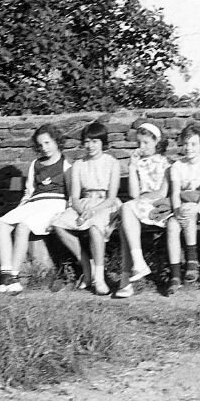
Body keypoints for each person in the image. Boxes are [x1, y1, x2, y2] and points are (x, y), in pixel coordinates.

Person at [0, 124, 71, 294]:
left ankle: (14, 277)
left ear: (56, 141)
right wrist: (18, 210)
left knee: (23, 226)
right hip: (34, 203)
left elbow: (70, 195)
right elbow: (29, 192)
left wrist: (62, 216)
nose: (45, 148)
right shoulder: (35, 164)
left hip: (54, 204)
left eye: (48, 143)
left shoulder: (66, 165)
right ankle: (5, 277)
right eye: (41, 145)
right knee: (2, 224)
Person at [52, 122, 121, 295]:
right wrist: (82, 211)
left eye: (95, 141)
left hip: (105, 204)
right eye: (87, 142)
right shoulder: (79, 164)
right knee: (58, 224)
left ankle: (99, 278)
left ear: (103, 142)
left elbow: (111, 198)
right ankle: (86, 265)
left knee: (95, 226)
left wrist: (94, 210)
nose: (90, 146)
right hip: (84, 203)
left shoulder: (112, 163)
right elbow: (74, 197)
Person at [114, 122, 170, 298]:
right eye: (139, 143)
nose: (142, 146)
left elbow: (162, 192)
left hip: (158, 207)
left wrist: (143, 199)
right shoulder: (139, 164)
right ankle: (135, 267)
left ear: (156, 141)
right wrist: (132, 167)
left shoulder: (165, 163)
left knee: (126, 212)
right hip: (139, 207)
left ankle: (127, 279)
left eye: (146, 142)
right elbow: (133, 193)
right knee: (125, 219)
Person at [165, 124, 200, 295]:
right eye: (186, 144)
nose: (189, 148)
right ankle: (175, 275)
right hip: (182, 204)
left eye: (193, 144)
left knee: (189, 212)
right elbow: (175, 192)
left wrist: (196, 208)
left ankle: (192, 260)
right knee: (172, 225)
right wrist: (176, 210)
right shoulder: (177, 166)